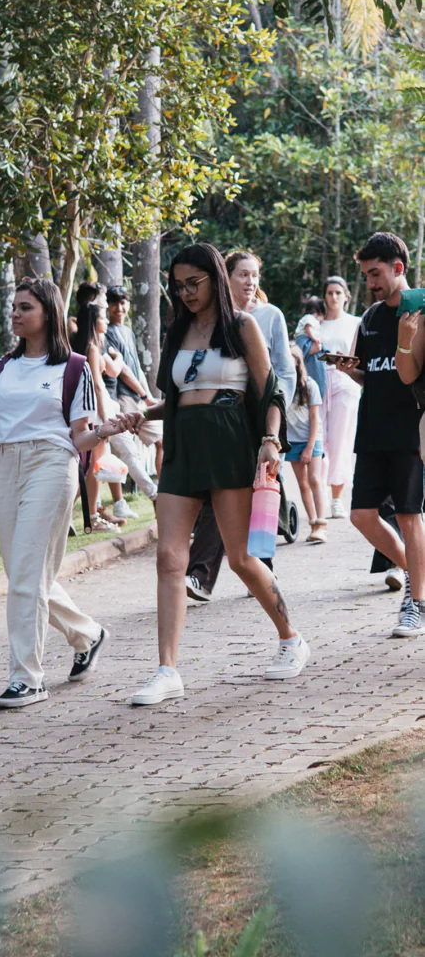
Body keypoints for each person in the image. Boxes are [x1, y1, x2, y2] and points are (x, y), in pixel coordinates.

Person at [0, 277, 138, 708]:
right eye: (15, 307)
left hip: (52, 465)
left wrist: (105, 431)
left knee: (25, 574)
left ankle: (28, 677)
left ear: (48, 314)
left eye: (25, 308)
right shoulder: (4, 367)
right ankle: (87, 635)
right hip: (7, 466)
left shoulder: (74, 368)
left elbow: (80, 437)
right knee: (23, 573)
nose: (16, 314)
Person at [127, 242, 309, 705]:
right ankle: (167, 670)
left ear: (215, 279)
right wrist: (139, 415)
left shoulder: (241, 326)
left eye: (195, 283)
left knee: (243, 558)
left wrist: (271, 441)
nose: (186, 293)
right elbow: (180, 397)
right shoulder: (177, 332)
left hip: (230, 443)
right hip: (184, 446)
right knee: (169, 556)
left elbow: (270, 392)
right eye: (178, 285)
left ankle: (291, 637)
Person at [184, 249, 295, 603]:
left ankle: (261, 571)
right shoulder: (208, 319)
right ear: (225, 277)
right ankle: (201, 574)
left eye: (255, 275)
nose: (251, 282)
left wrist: (274, 416)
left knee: (259, 491)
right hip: (223, 420)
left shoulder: (270, 316)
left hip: (262, 419)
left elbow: (283, 371)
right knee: (221, 493)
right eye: (243, 275)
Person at [338, 232, 425, 634]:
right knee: (360, 516)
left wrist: (405, 343)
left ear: (398, 268)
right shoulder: (370, 318)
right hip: (371, 429)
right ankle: (416, 571)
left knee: (410, 516)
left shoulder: (418, 308)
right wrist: (347, 368)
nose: (370, 283)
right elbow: (369, 374)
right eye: (365, 275)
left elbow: (410, 373)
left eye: (375, 274)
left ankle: (417, 602)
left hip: (410, 430)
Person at [72, 299, 159, 522]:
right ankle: (152, 495)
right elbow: (98, 385)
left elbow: (112, 371)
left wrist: (118, 359)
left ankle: (81, 514)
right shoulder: (91, 348)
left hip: (104, 408)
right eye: (102, 318)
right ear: (94, 322)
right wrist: (104, 421)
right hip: (101, 409)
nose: (106, 322)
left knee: (97, 465)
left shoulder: (96, 346)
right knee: (97, 465)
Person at [104, 284, 164, 518]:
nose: (120, 307)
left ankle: (165, 493)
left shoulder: (127, 332)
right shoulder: (106, 332)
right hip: (123, 397)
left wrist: (147, 395)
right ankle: (128, 501)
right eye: (115, 302)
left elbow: (136, 367)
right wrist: (144, 395)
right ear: (108, 306)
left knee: (162, 442)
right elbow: (122, 371)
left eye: (123, 302)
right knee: (125, 451)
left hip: (140, 395)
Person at [319, 275, 361, 519]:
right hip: (320, 384)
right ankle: (320, 495)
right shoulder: (317, 324)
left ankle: (336, 498)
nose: (334, 297)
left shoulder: (356, 323)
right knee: (318, 441)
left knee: (339, 441)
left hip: (345, 383)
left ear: (346, 295)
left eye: (338, 292)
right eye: (330, 292)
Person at [286, 343, 327, 544]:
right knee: (302, 483)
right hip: (292, 441)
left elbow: (314, 418)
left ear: (296, 361)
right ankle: (312, 522)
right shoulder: (282, 384)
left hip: (311, 437)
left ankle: (321, 523)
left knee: (314, 480)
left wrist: (310, 447)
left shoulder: (310, 385)